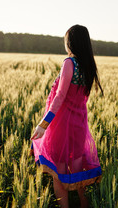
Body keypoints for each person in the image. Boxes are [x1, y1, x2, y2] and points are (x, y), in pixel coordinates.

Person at [29, 25, 103, 208]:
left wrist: (42, 125)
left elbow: (60, 97)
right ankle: (84, 204)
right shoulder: (88, 66)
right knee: (77, 171)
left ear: (70, 42)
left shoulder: (69, 63)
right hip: (79, 124)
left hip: (61, 125)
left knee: (58, 172)